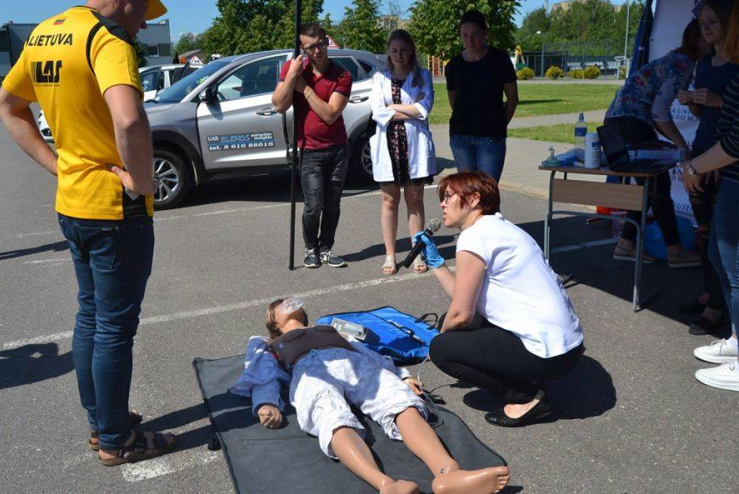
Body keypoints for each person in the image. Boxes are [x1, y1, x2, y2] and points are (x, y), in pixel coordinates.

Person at [0, 0, 175, 465]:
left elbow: (7, 106)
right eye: (144, 10)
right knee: (114, 327)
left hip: (72, 202)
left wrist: (56, 165)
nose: (142, 23)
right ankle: (116, 439)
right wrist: (142, 182)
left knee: (91, 318)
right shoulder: (107, 39)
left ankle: (104, 423)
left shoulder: (45, 34)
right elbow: (130, 118)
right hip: (114, 209)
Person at [230, 298, 511, 494]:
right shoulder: (268, 343)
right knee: (333, 419)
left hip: (352, 363)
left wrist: (402, 377)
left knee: (400, 402)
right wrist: (266, 402)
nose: (287, 304)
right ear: (273, 322)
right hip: (309, 372)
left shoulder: (328, 328)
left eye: (290, 302)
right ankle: (387, 485)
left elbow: (369, 353)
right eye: (280, 306)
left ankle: (449, 473)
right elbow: (261, 370)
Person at [416, 172, 584, 427]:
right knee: (452, 326)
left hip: (549, 354)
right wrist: (437, 263)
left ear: (474, 199)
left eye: (448, 196)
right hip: (566, 346)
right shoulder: (497, 227)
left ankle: (526, 397)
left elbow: (461, 314)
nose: (442, 204)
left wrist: (439, 339)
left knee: (442, 349)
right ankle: (527, 377)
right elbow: (462, 299)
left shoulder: (474, 237)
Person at [608, 18, 708, 268]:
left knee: (648, 186)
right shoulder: (683, 63)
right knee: (658, 184)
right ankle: (675, 251)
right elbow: (659, 112)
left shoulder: (676, 59)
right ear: (695, 38)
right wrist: (681, 145)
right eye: (706, 33)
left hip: (615, 124)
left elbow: (653, 109)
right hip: (631, 123)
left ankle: (626, 244)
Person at [680, 0, 739, 394]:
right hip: (727, 171)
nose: (707, 28)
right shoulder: (710, 64)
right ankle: (735, 341)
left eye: (715, 22)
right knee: (719, 256)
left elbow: (736, 138)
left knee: (734, 267)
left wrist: (697, 165)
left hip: (730, 171)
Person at [272, 23, 352, 269]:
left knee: (332, 203)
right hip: (309, 150)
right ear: (302, 49)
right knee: (313, 204)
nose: (317, 51)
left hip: (338, 148)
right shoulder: (295, 69)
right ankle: (311, 249)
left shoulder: (342, 75)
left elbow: (330, 114)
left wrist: (303, 88)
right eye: (310, 47)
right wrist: (292, 77)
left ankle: (326, 248)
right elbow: (279, 105)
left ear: (327, 41)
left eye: (320, 44)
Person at [370, 29, 436, 275]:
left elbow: (424, 108)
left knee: (415, 201)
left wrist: (393, 107)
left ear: (412, 51)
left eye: (404, 50)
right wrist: (410, 108)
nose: (399, 55)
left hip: (414, 147)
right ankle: (390, 254)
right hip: (388, 147)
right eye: (394, 50)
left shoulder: (423, 77)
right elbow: (378, 113)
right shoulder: (379, 79)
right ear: (389, 52)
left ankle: (416, 252)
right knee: (389, 201)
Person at [445, 10, 518, 182]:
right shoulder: (454, 65)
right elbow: (454, 101)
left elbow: (513, 99)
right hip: (461, 137)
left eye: (475, 34)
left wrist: (498, 124)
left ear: (485, 33)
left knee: (487, 195)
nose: (469, 41)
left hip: (491, 138)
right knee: (467, 193)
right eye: (465, 35)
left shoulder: (500, 60)